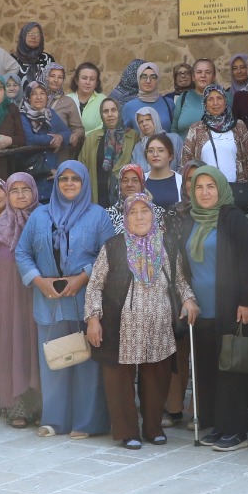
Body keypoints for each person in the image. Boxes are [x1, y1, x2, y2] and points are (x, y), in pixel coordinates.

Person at [86, 191, 192, 449]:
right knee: (119, 381)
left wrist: (189, 299)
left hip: (158, 327)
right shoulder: (113, 246)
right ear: (125, 217)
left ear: (153, 213)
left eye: (144, 211)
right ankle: (127, 431)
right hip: (120, 328)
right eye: (133, 212)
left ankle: (153, 427)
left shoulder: (168, 243)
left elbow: (179, 281)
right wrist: (93, 319)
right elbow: (95, 286)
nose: (139, 216)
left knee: (156, 378)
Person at [15, 161, 113, 437]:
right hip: (49, 300)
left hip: (85, 300)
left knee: (87, 363)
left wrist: (82, 278)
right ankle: (54, 420)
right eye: (63, 179)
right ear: (56, 183)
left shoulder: (98, 215)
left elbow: (109, 254)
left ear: (84, 183)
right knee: (54, 361)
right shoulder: (40, 216)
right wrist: (38, 280)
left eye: (75, 179)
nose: (69, 183)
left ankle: (87, 423)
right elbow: (22, 253)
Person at [168, 165, 248, 451]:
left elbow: (247, 262)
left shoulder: (234, 219)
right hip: (200, 311)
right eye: (198, 187)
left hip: (230, 307)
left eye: (210, 186)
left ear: (220, 188)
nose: (205, 192)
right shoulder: (189, 220)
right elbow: (181, 265)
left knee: (230, 369)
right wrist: (186, 298)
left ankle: (236, 431)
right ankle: (219, 426)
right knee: (209, 370)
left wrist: (247, 302)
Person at [0, 172, 42, 428]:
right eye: (14, 190)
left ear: (33, 192)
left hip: (40, 300)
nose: (19, 195)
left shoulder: (45, 222)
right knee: (11, 351)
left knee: (37, 352)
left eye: (24, 190)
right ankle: (15, 408)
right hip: (7, 303)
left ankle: (40, 406)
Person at [181, 85, 248, 211]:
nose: (215, 103)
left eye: (219, 98)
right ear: (205, 103)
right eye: (210, 99)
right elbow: (186, 163)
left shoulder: (238, 126)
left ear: (225, 101)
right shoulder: (196, 129)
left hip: (235, 193)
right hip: (206, 194)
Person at [79, 97, 139, 206]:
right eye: (106, 111)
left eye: (113, 110)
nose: (110, 114)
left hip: (125, 197)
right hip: (98, 197)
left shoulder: (133, 136)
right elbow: (82, 167)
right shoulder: (92, 138)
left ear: (119, 112)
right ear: (102, 115)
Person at [19, 80, 73, 199]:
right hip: (35, 172)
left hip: (52, 169)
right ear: (28, 97)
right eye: (34, 94)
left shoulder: (50, 113)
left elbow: (67, 132)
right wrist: (52, 139)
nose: (39, 97)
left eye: (42, 93)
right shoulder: (23, 116)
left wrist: (60, 137)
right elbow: (30, 139)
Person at [43, 63, 86, 152]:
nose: (56, 80)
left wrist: (76, 135)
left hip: (60, 153)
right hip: (37, 152)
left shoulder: (68, 102)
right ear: (45, 76)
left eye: (60, 77)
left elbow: (79, 129)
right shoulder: (36, 99)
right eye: (52, 76)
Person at [119, 62, 172, 131]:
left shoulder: (168, 103)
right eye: (144, 77)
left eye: (153, 77)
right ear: (138, 79)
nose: (148, 81)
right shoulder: (129, 107)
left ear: (158, 80)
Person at [169, 57, 216, 135]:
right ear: (193, 77)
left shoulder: (224, 98)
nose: (203, 75)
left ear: (213, 77)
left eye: (208, 72)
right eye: (199, 72)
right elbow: (174, 129)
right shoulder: (183, 98)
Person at [142, 134, 184, 210]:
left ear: (170, 155)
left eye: (161, 150)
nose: (155, 154)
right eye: (150, 151)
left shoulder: (181, 181)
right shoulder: (140, 180)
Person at [105, 164, 148, 233]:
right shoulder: (107, 215)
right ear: (119, 185)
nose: (129, 184)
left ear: (142, 184)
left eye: (135, 180)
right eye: (125, 181)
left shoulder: (155, 213)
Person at [15, 21, 54, 85]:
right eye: (30, 34)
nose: (33, 37)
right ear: (23, 36)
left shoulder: (48, 59)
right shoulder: (13, 59)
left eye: (37, 34)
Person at [71, 63, 106, 131]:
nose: (87, 82)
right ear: (76, 80)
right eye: (84, 78)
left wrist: (85, 136)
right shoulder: (67, 99)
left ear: (96, 83)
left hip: (95, 140)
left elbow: (105, 124)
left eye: (92, 79)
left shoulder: (103, 100)